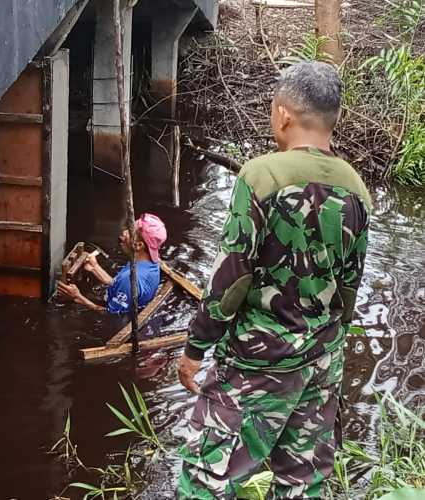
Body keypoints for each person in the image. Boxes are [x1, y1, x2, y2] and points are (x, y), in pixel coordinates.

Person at [177, 61, 372, 499]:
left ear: (283, 113)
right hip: (322, 359)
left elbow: (232, 279)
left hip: (256, 360)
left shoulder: (262, 175)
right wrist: (324, 339)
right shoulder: (356, 188)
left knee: (205, 480)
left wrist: (195, 349)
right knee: (303, 482)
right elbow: (348, 287)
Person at [57, 213, 167, 314]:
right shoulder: (152, 263)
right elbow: (118, 284)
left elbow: (110, 315)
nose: (124, 233)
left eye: (129, 231)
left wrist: (77, 297)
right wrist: (95, 268)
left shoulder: (131, 279)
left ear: (138, 245)